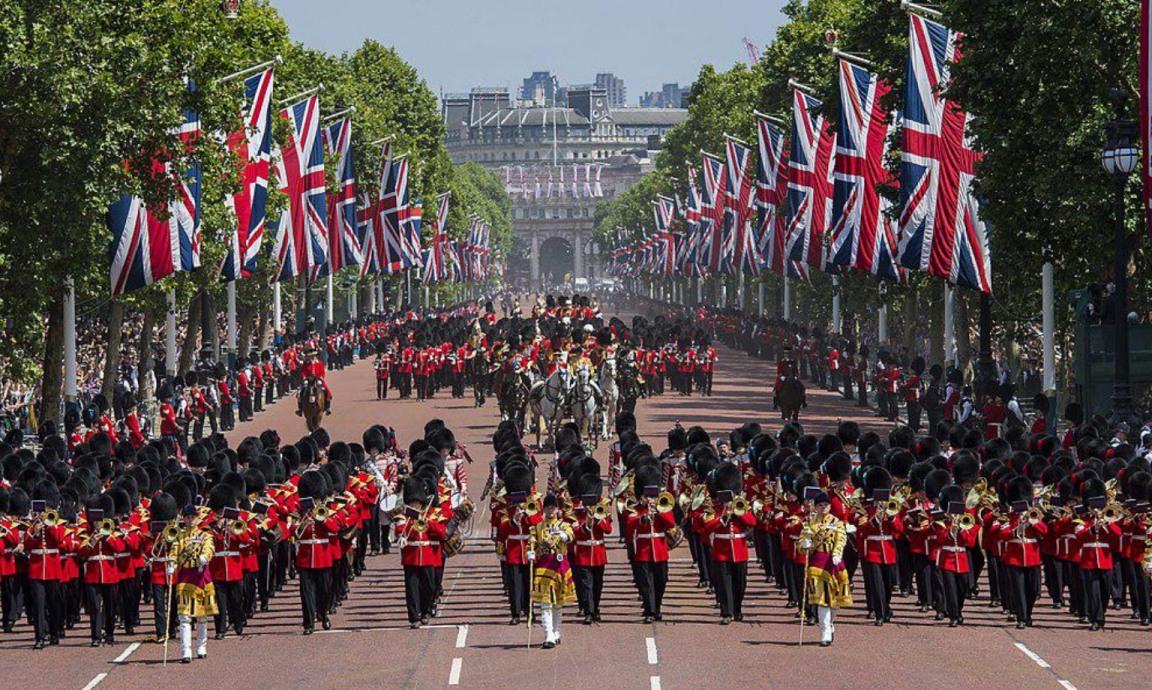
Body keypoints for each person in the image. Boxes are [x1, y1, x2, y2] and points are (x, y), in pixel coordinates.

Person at [797, 489, 851, 647]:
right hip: (817, 563)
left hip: (834, 563)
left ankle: (831, 623)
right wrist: (805, 544)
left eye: (825, 505)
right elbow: (802, 544)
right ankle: (824, 631)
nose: (823, 508)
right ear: (815, 507)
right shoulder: (809, 523)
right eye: (820, 505)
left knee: (835, 602)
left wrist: (837, 554)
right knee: (822, 600)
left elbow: (841, 540)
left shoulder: (837, 522)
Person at [169, 505, 216, 663]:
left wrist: (205, 556)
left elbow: (209, 548)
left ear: (197, 518)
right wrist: (172, 565)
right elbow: (174, 553)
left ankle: (201, 646)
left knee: (202, 616)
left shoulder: (205, 535)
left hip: (201, 576)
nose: (190, 520)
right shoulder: (179, 537)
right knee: (184, 616)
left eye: (192, 517)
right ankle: (186, 650)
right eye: (187, 517)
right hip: (185, 577)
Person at [530, 494, 575, 649]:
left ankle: (556, 631)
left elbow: (570, 536)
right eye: (547, 507)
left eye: (552, 507)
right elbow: (533, 545)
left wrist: (563, 536)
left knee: (558, 603)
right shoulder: (537, 527)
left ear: (557, 509)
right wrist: (531, 553)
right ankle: (548, 634)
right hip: (544, 566)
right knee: (545, 602)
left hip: (560, 566)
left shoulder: (564, 525)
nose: (550, 510)